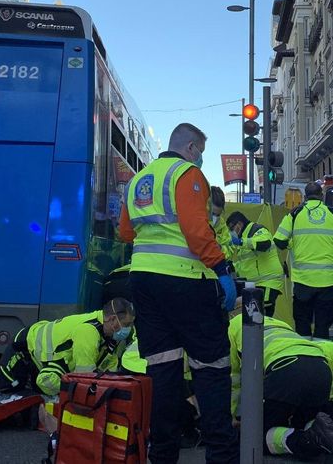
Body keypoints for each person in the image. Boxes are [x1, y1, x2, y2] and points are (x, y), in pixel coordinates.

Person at [119, 123, 239, 464]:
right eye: (199, 150)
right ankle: (220, 457)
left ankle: (163, 457)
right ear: (189, 148)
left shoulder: (138, 180)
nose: (200, 157)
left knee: (163, 372)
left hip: (143, 282)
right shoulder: (187, 174)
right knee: (211, 369)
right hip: (187, 283)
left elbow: (126, 232)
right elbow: (196, 231)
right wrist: (221, 268)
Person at [228, 314, 333, 463]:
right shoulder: (280, 323)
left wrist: (230, 416)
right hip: (321, 368)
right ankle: (329, 431)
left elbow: (233, 379)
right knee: (301, 421)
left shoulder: (232, 327)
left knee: (254, 437)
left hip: (286, 370)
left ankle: (310, 440)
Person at [0, 298, 135, 397]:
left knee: (25, 397)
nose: (128, 329)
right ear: (112, 320)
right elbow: (84, 379)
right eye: (127, 324)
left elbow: (108, 372)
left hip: (47, 359)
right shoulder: (88, 332)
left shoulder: (112, 335)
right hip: (23, 349)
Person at [274, 182, 333, 338]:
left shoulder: (294, 214)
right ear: (321, 196)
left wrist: (292, 245)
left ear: (305, 196)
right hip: (328, 280)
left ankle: (306, 355)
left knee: (302, 323)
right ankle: (322, 353)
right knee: (323, 324)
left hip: (303, 281)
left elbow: (279, 241)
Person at [226, 211, 284, 317]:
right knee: (254, 317)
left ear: (239, 224)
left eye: (231, 228)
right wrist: (231, 267)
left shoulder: (257, 230)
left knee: (262, 316)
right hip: (255, 285)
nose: (231, 232)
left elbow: (265, 243)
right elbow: (246, 263)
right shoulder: (243, 237)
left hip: (268, 282)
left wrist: (241, 242)